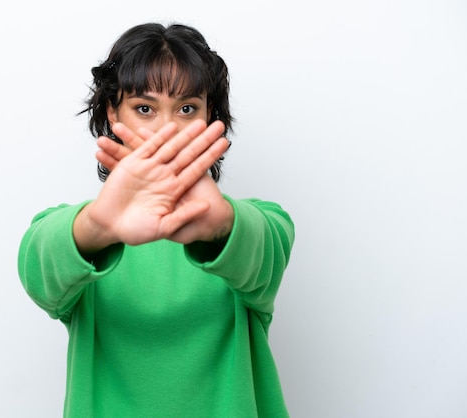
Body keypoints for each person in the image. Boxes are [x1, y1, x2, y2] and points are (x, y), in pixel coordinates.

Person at [17, 22, 295, 418]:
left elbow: (267, 247)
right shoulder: (77, 232)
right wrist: (97, 227)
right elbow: (38, 267)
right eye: (144, 108)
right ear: (113, 112)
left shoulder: (259, 222)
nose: (167, 129)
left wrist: (221, 226)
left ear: (209, 116)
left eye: (186, 108)